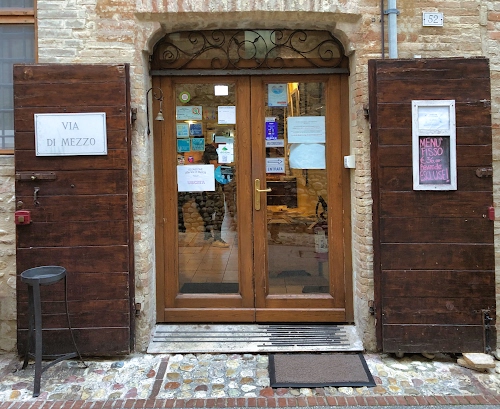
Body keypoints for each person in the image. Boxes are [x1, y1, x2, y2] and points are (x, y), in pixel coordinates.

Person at [199, 144, 229, 248]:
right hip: (214, 189)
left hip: (205, 189)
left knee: (207, 212)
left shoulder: (203, 161)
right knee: (220, 212)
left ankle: (208, 236)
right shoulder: (212, 157)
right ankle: (217, 238)